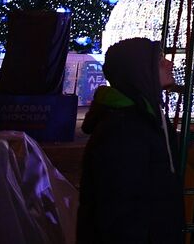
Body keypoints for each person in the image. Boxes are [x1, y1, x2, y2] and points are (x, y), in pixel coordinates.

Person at [77, 37, 183, 244]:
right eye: (159, 60)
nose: (169, 63)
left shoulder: (147, 118)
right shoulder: (124, 129)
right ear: (139, 71)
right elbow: (120, 213)